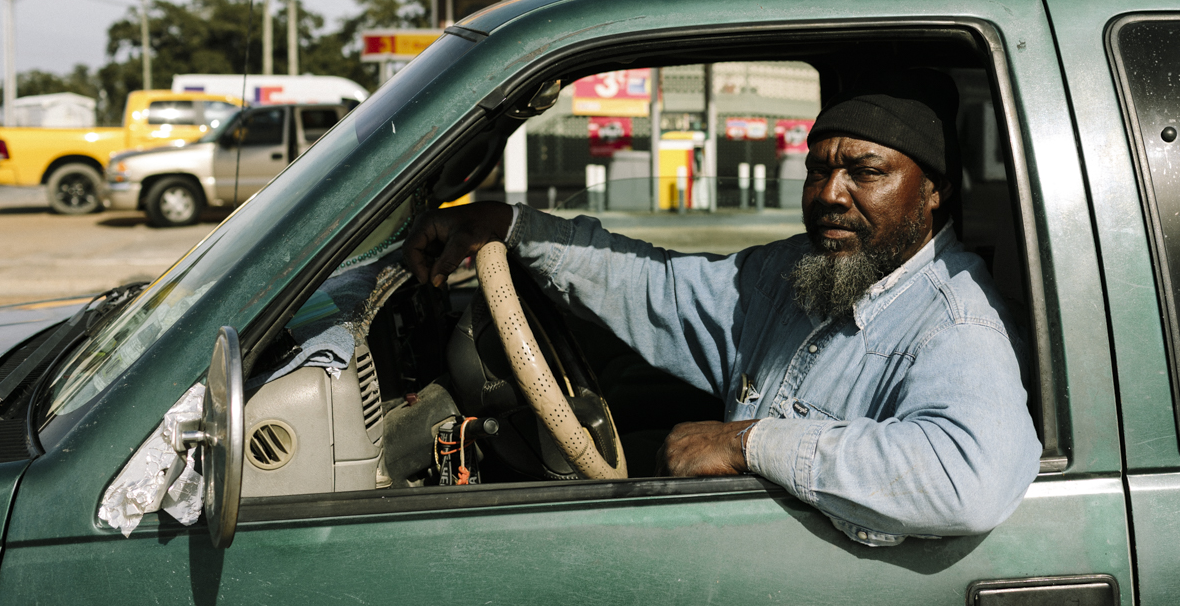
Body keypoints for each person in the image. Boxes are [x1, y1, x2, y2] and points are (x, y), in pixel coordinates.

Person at [404, 75, 1042, 546]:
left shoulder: (957, 325)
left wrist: (746, 442)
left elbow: (966, 475)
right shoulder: (795, 273)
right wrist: (509, 225)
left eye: (864, 171)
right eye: (816, 171)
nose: (829, 196)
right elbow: (660, 290)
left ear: (933, 192)